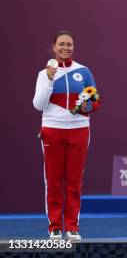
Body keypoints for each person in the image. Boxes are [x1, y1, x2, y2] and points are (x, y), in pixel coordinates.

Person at [33, 31, 100, 241]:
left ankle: (71, 227)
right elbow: (39, 105)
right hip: (52, 130)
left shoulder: (84, 71)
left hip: (79, 130)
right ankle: (54, 227)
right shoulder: (44, 74)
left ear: (73, 47)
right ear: (54, 46)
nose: (65, 48)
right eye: (61, 44)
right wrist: (50, 81)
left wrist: (84, 106)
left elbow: (96, 100)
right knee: (53, 181)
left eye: (69, 44)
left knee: (74, 180)